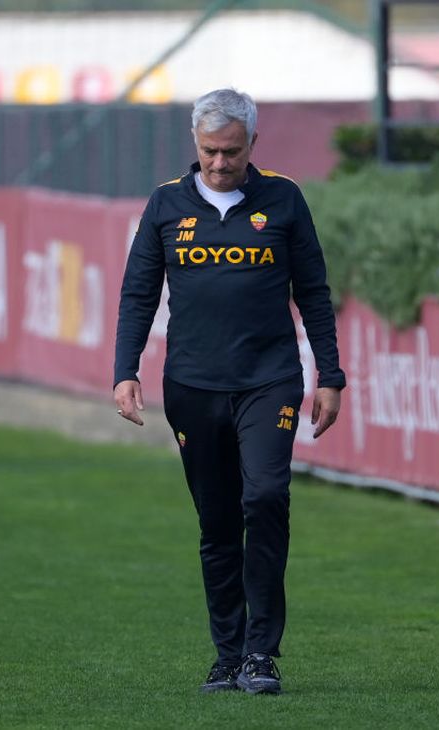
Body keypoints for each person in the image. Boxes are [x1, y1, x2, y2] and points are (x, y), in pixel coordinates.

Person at [113, 88, 345, 695]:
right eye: (211, 152)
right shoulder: (166, 205)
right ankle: (228, 653)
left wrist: (331, 375)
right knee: (216, 521)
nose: (220, 163)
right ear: (196, 145)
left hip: (269, 381)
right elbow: (139, 293)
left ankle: (262, 653)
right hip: (192, 386)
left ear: (253, 146)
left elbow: (315, 293)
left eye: (232, 153)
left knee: (265, 498)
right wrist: (125, 369)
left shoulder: (284, 200)